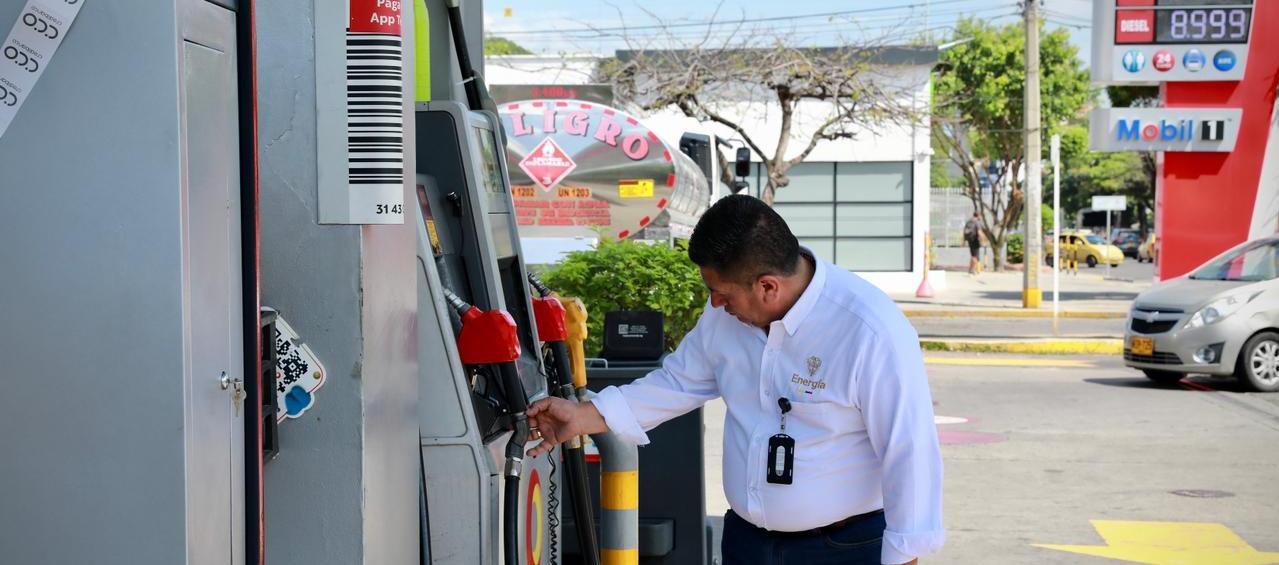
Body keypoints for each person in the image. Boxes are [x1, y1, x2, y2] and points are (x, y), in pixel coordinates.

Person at [526, 195, 944, 565]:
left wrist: (905, 555)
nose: (714, 303)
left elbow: (909, 451)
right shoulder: (725, 318)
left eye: (722, 293)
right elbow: (677, 382)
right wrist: (584, 415)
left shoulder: (869, 331)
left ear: (767, 286)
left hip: (844, 549)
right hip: (747, 543)